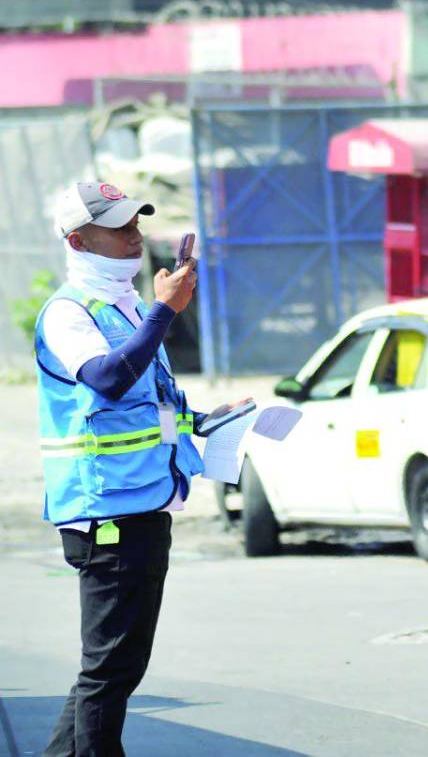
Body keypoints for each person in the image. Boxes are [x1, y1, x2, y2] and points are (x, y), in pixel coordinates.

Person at [35, 181, 214, 756]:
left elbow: (151, 405)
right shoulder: (68, 312)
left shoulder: (129, 307)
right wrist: (164, 312)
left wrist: (209, 420)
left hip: (145, 502)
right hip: (103, 514)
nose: (135, 236)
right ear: (79, 241)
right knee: (107, 671)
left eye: (136, 223)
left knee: (121, 668)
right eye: (119, 226)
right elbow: (108, 381)